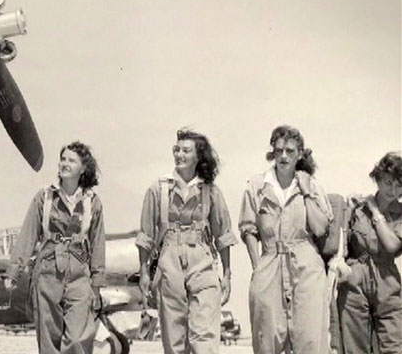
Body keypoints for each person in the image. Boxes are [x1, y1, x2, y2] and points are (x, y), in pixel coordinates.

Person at [136, 129, 238, 354]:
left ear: (198, 157)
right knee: (174, 337)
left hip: (202, 260)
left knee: (204, 336)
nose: (179, 154)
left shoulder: (210, 192)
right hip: (169, 260)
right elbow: (145, 237)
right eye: (177, 149)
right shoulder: (158, 190)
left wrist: (227, 274)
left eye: (186, 150)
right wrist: (144, 271)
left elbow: (223, 236)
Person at [238, 125, 333, 354]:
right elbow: (248, 228)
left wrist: (307, 190)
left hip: (306, 263)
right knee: (267, 334)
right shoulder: (257, 185)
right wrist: (257, 265)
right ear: (273, 152)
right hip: (269, 260)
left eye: (290, 151)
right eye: (278, 150)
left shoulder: (311, 185)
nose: (283, 156)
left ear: (300, 153)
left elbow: (320, 228)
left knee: (310, 337)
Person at [4, 141, 105, 354]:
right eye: (63, 159)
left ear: (83, 168)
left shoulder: (92, 202)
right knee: (49, 339)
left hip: (79, 271)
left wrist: (96, 284)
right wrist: (14, 271)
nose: (64, 163)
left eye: (71, 160)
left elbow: (97, 244)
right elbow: (28, 235)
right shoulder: (44, 197)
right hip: (48, 270)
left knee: (78, 339)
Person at [337, 152, 402, 354]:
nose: (392, 190)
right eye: (388, 182)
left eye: (399, 185)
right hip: (355, 279)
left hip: (387, 280)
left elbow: (392, 245)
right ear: (377, 179)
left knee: (394, 344)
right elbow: (341, 242)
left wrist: (375, 212)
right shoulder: (356, 207)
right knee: (354, 346)